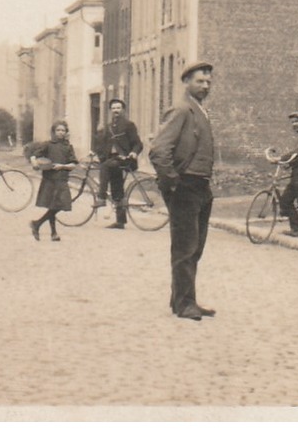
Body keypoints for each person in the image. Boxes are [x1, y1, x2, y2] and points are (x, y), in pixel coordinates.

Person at [149, 60, 217, 321]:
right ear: (186, 82)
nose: (205, 85)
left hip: (201, 186)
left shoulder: (199, 110)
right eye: (200, 81)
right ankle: (185, 303)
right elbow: (158, 150)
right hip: (185, 186)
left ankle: (183, 299)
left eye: (209, 81)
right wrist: (173, 183)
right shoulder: (181, 110)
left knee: (195, 247)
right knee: (185, 247)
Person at [93, 97, 144, 229]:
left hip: (124, 159)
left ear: (123, 110)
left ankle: (102, 197)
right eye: (114, 108)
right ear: (111, 110)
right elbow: (102, 143)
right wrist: (95, 152)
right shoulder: (109, 126)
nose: (116, 110)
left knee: (105, 166)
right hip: (113, 160)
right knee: (117, 187)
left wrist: (134, 152)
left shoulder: (129, 125)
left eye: (118, 108)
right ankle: (120, 222)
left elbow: (138, 143)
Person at [28, 120, 77, 242]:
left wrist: (63, 166)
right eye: (58, 130)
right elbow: (34, 155)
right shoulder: (48, 145)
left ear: (66, 132)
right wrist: (34, 162)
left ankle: (37, 223)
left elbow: (73, 165)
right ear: (54, 132)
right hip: (50, 179)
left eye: (63, 130)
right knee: (53, 205)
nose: (60, 133)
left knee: (61, 204)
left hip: (62, 180)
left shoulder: (68, 147)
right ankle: (53, 233)